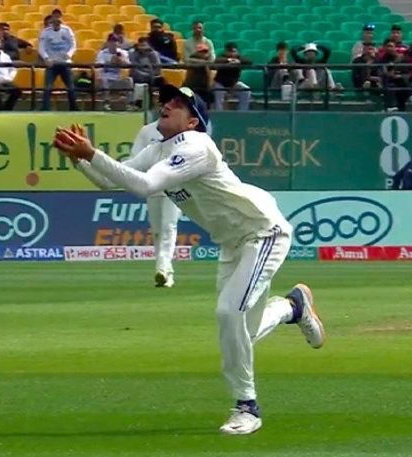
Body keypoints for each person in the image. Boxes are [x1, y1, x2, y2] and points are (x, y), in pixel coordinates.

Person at [54, 84, 325, 435]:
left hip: (263, 234)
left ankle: (247, 407)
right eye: (167, 100)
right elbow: (110, 182)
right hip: (232, 243)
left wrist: (92, 154)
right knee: (244, 330)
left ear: (194, 121)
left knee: (229, 313)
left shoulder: (197, 146)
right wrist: (80, 160)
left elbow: (145, 186)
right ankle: (293, 307)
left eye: (178, 103)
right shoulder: (158, 148)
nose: (167, 105)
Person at [128, 120, 181, 287]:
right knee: (158, 231)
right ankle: (165, 272)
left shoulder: (180, 129)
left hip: (174, 186)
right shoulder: (147, 131)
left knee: (168, 226)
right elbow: (135, 158)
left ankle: (163, 268)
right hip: (152, 187)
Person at [39, 16, 78, 111]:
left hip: (65, 63)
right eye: (54, 21)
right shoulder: (46, 32)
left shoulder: (67, 30)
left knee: (71, 88)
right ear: (52, 22)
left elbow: (73, 44)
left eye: (58, 21)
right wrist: (46, 58)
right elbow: (41, 47)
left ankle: (74, 109)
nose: (56, 23)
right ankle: (45, 109)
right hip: (52, 64)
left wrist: (69, 54)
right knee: (47, 88)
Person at [95, 34, 133, 111]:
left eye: (116, 42)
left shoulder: (123, 53)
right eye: (112, 41)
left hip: (117, 79)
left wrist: (122, 60)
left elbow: (129, 65)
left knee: (129, 80)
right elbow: (99, 67)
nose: (114, 44)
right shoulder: (102, 53)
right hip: (106, 78)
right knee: (104, 80)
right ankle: (106, 104)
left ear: (118, 43)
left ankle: (129, 104)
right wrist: (110, 62)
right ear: (108, 43)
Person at [213, 42, 252, 111]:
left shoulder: (239, 58)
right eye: (229, 51)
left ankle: (242, 113)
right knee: (218, 93)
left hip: (234, 84)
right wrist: (228, 60)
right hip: (220, 83)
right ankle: (219, 113)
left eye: (234, 51)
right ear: (226, 52)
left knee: (246, 91)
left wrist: (238, 61)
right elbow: (216, 61)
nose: (232, 53)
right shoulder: (222, 57)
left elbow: (249, 61)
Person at [130, 37, 164, 108]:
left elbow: (157, 69)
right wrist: (146, 74)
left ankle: (160, 104)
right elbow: (134, 69)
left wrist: (150, 74)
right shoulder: (133, 54)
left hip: (152, 76)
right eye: (141, 45)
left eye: (144, 45)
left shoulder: (154, 54)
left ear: (149, 46)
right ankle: (138, 104)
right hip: (139, 77)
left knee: (160, 80)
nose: (142, 48)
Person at [377, 38, 409, 112]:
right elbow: (381, 73)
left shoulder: (402, 59)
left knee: (401, 82)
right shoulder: (382, 59)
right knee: (389, 84)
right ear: (384, 47)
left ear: (395, 47)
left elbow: (407, 72)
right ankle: (392, 106)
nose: (389, 48)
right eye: (388, 46)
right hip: (388, 82)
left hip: (401, 82)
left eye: (391, 46)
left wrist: (399, 75)